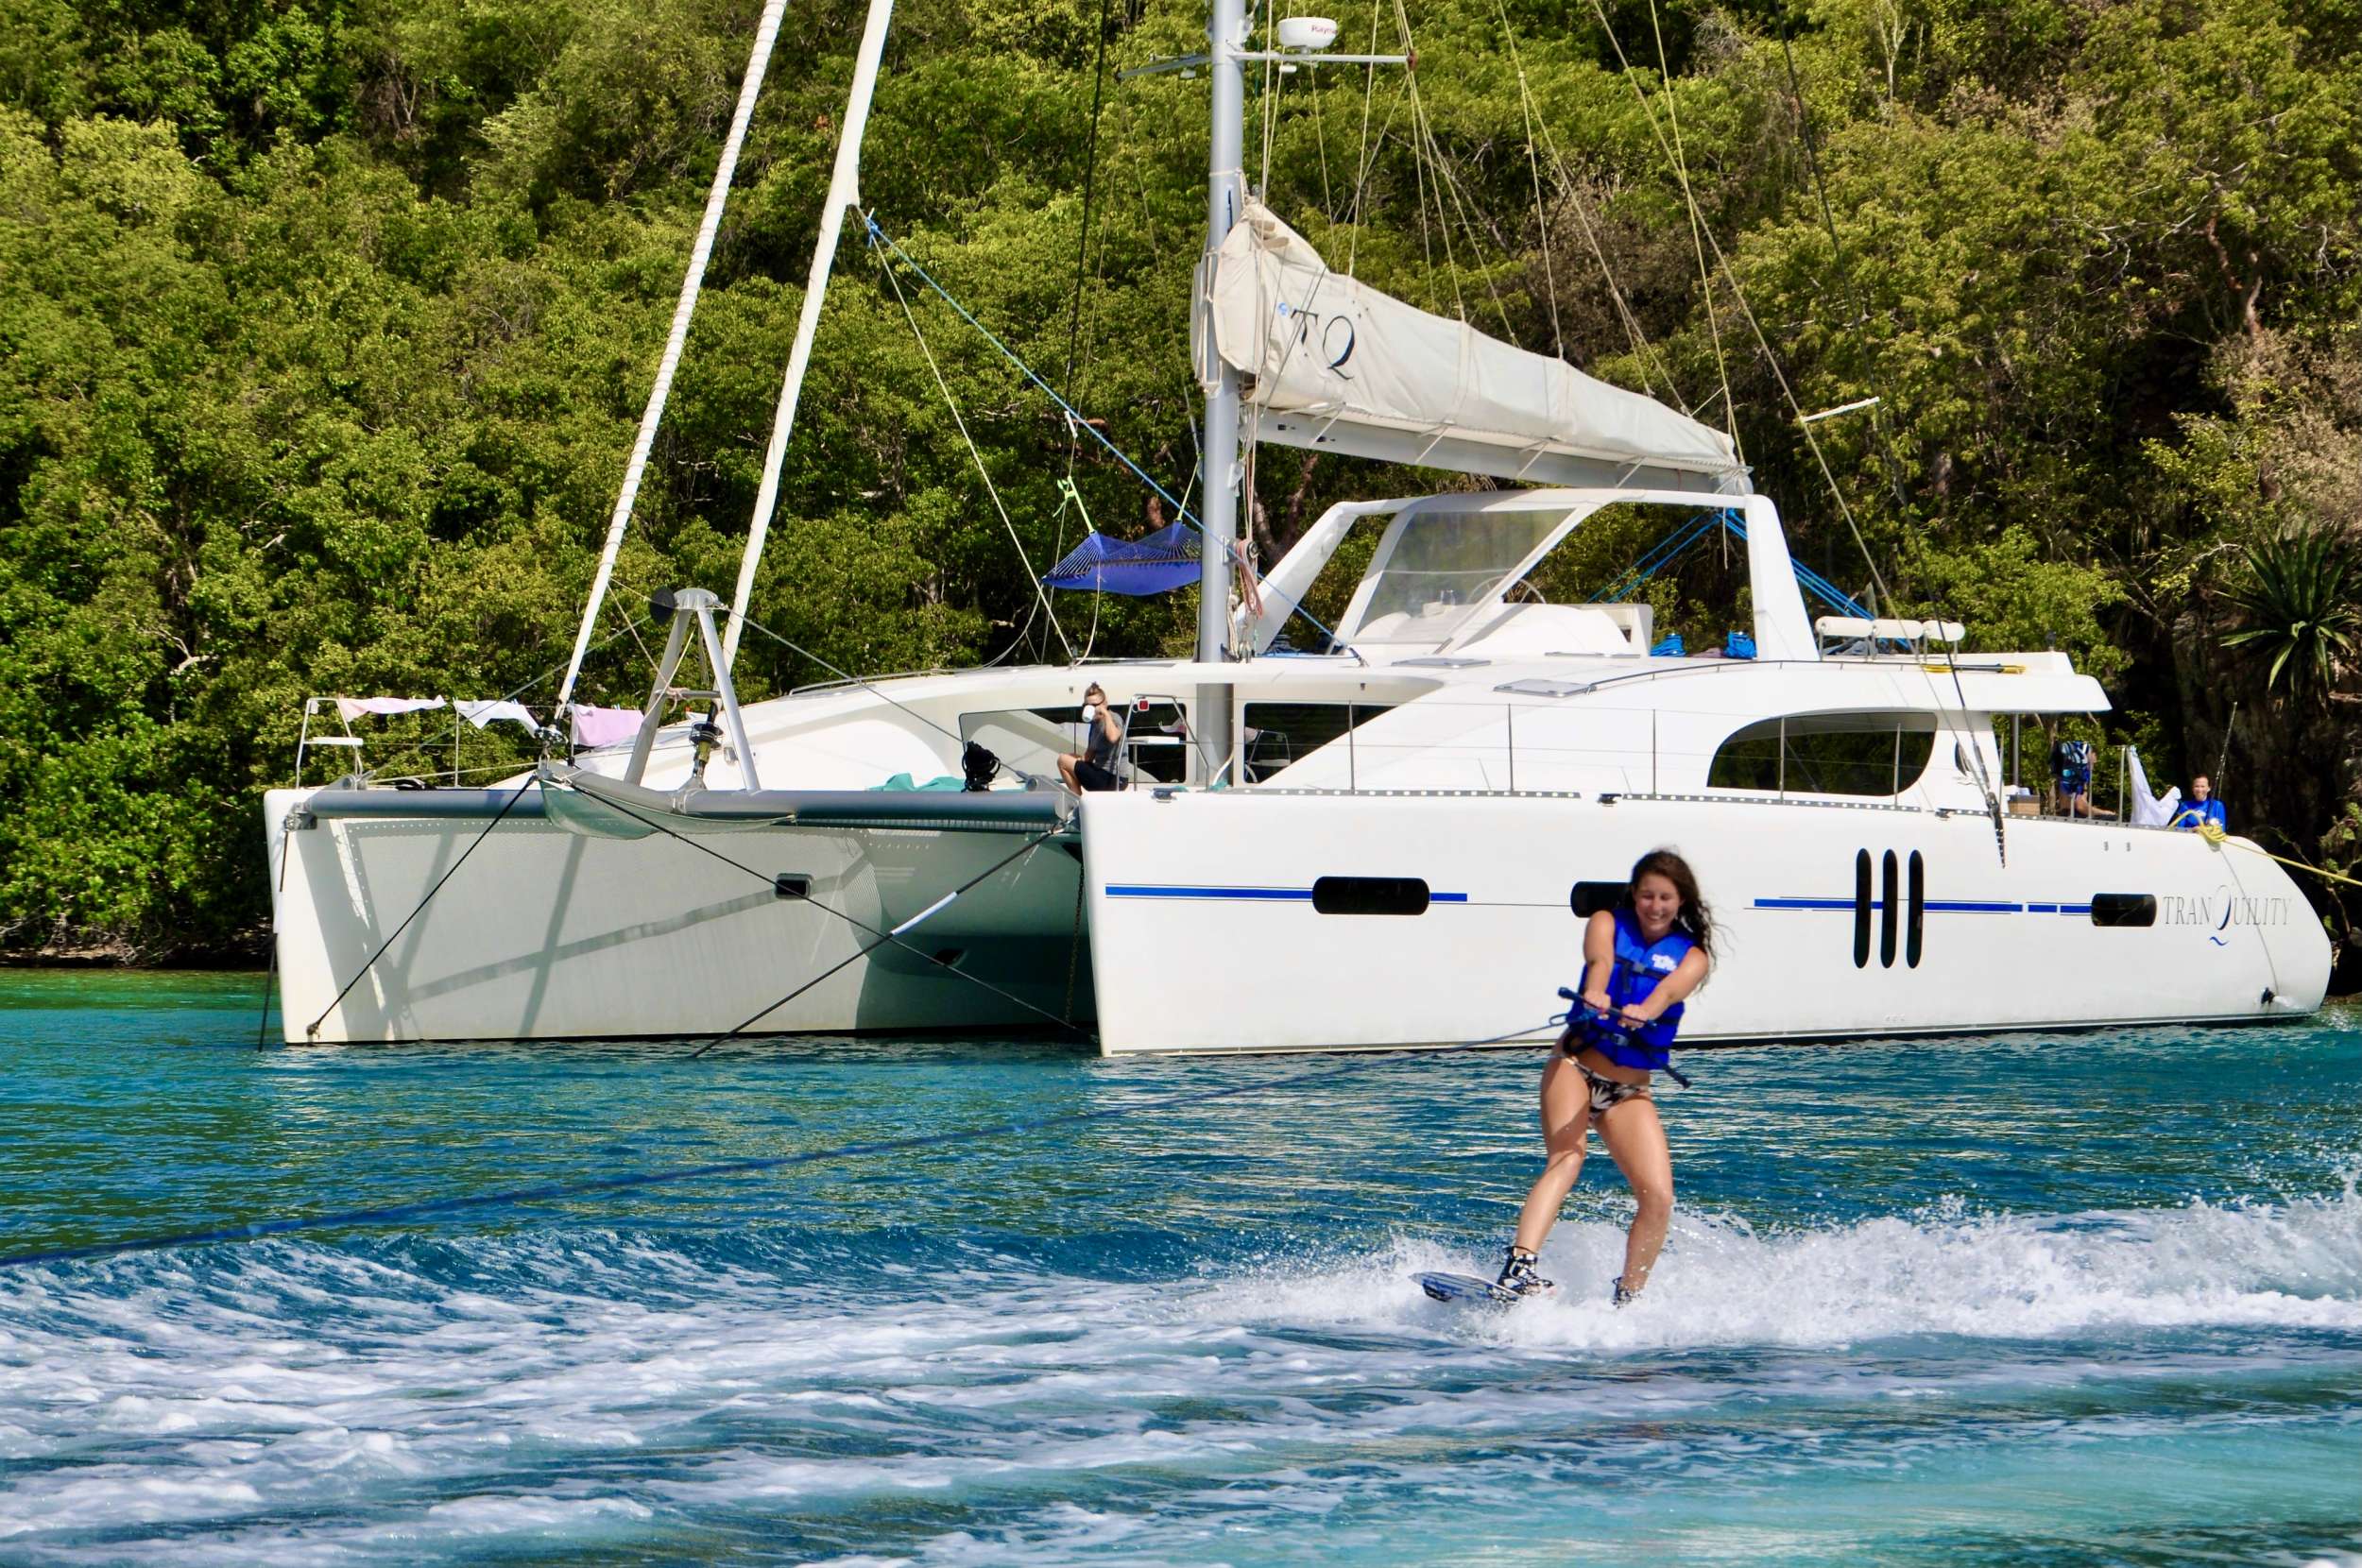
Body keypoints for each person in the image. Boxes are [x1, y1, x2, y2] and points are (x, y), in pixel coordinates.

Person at [1497, 849, 1714, 1305]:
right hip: (1575, 1064)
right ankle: (1520, 1267)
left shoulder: (1693, 957)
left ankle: (1628, 1297)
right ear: (1634, 895)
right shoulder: (1605, 921)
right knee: (1567, 1158)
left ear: (1681, 902)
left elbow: (1670, 990)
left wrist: (1646, 1011)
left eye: (1665, 898)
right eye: (1647, 895)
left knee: (1658, 1197)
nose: (1654, 906)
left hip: (1628, 1089)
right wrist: (1596, 993)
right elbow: (1598, 962)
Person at [1055, 682, 1124, 793]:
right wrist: (1074, 759)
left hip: (1113, 778)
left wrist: (1105, 714)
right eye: (1087, 706)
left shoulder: (1113, 718)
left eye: (1094, 705)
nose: (1091, 709)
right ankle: (1078, 799)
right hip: (1101, 774)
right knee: (1068, 757)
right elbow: (1089, 756)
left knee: (1062, 760)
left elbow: (1113, 737)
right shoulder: (1094, 723)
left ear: (1105, 704)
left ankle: (1077, 801)